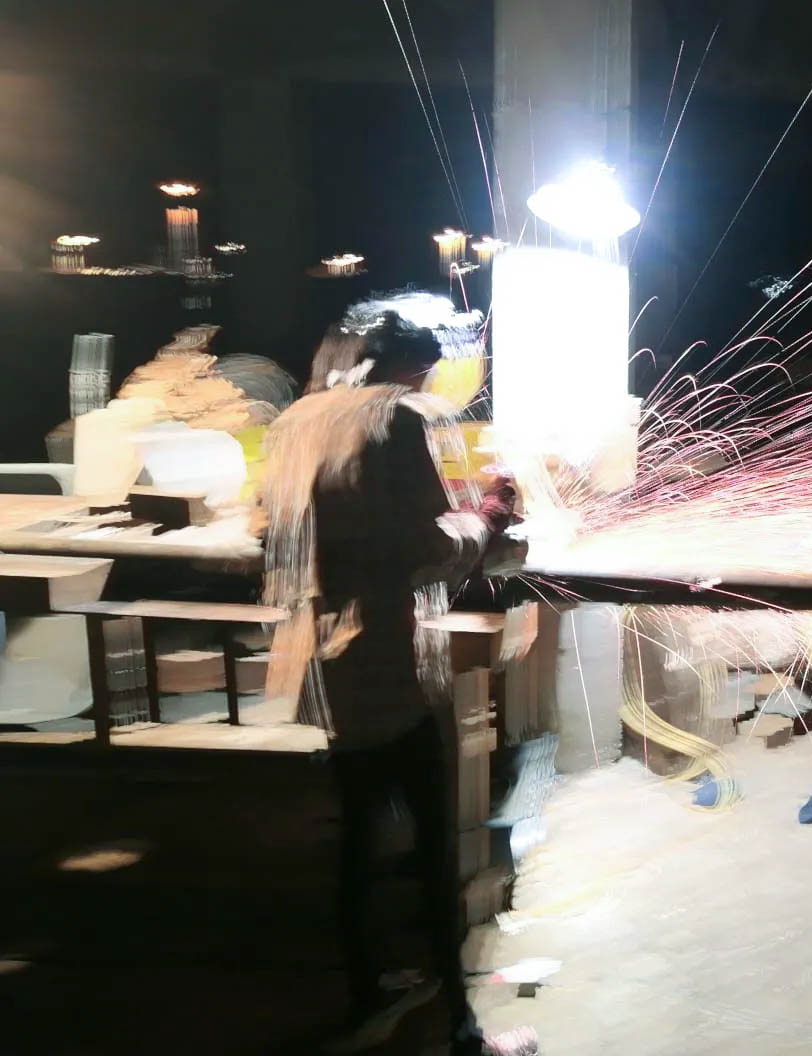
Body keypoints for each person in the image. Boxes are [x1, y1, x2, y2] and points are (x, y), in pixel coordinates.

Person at [260, 298, 534, 1056]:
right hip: (388, 663)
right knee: (432, 847)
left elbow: (273, 530)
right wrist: (488, 515)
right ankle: (459, 1028)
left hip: (322, 666)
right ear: (413, 366)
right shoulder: (395, 420)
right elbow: (427, 552)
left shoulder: (296, 420)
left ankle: (365, 998)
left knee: (357, 842)